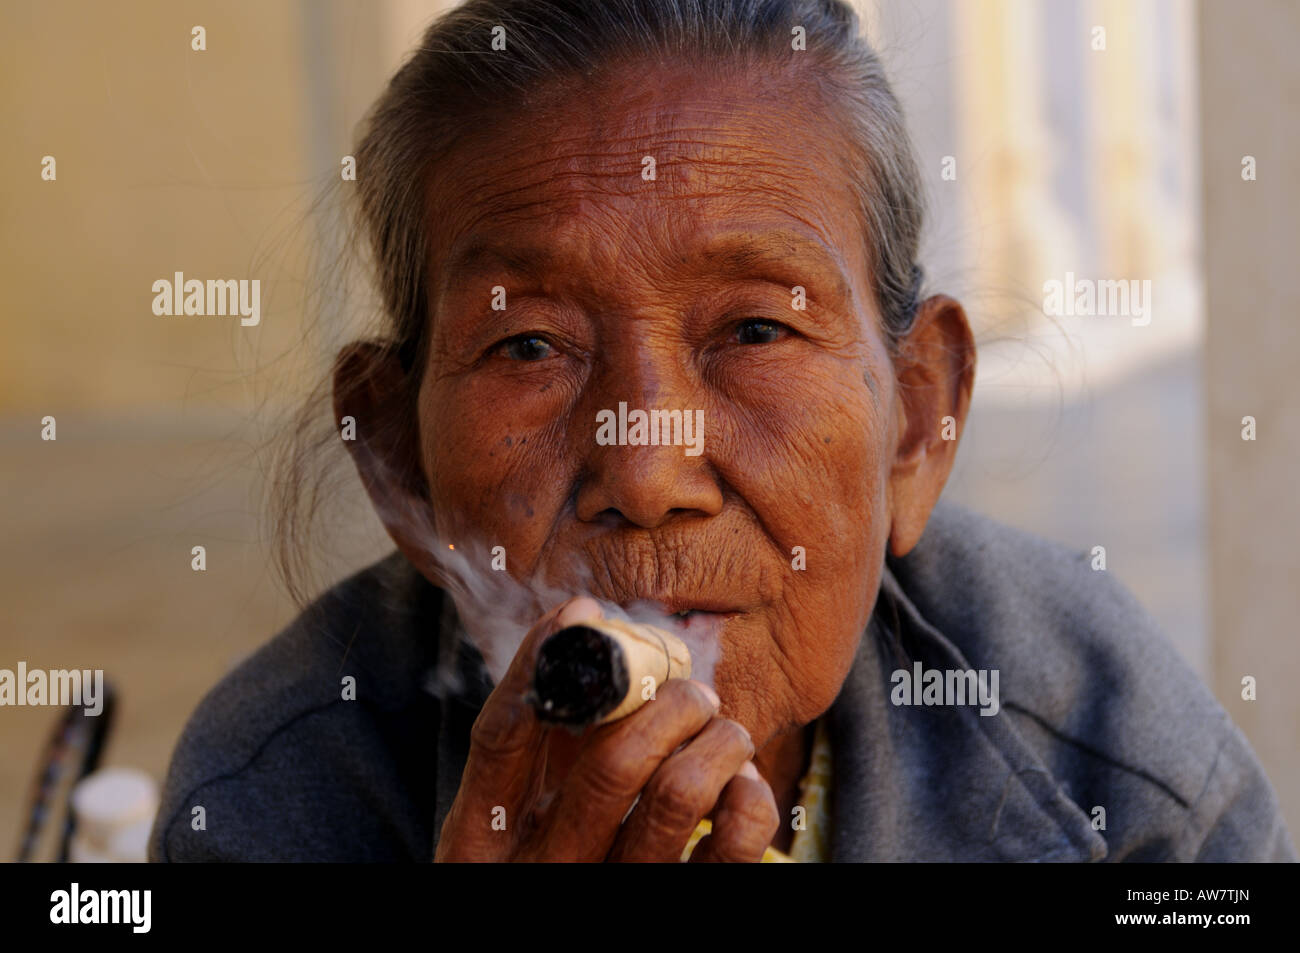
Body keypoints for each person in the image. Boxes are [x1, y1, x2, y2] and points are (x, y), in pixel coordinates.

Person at [150, 0, 1296, 862]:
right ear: (400, 459)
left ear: (916, 421)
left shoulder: (1098, 735)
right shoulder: (278, 793)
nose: (646, 473)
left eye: (754, 327)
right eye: (530, 346)